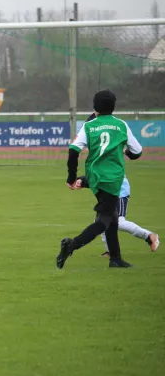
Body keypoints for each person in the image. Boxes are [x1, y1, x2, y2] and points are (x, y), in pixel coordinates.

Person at [56, 89, 143, 269]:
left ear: (95, 107)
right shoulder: (121, 125)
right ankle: (71, 245)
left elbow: (73, 151)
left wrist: (71, 177)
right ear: (113, 107)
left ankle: (115, 259)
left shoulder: (89, 126)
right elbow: (137, 152)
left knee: (112, 217)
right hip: (112, 179)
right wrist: (125, 152)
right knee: (104, 220)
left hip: (94, 177)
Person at [74, 175, 159, 255]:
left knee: (119, 222)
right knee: (101, 223)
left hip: (118, 191)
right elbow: (96, 173)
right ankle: (111, 252)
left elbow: (103, 174)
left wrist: (83, 181)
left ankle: (149, 236)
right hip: (108, 192)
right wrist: (82, 180)